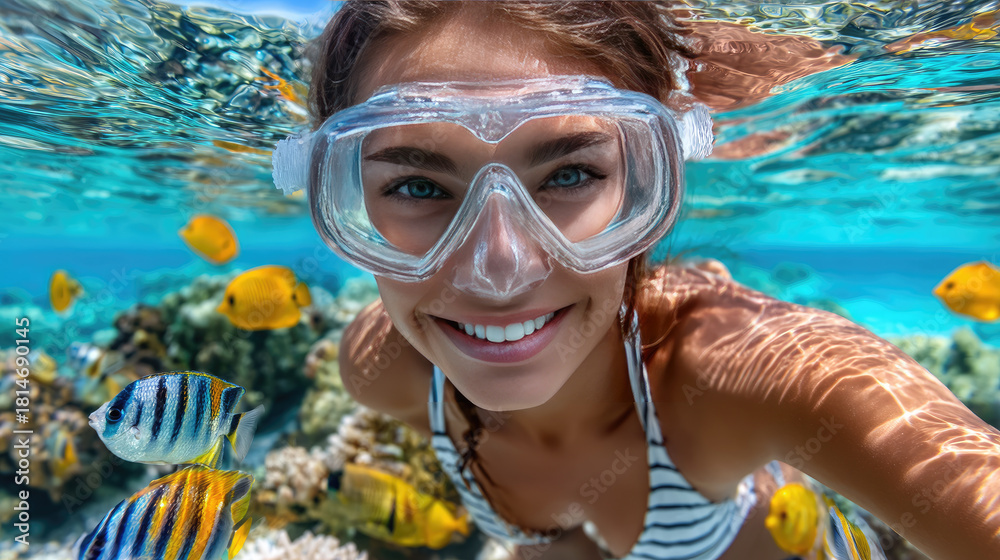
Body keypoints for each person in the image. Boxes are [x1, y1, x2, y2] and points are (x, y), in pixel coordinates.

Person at [273, 2, 1000, 559]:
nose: (499, 269)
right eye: (419, 187)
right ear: (342, 200)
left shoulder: (741, 376)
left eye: (570, 174)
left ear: (652, 182)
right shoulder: (381, 370)